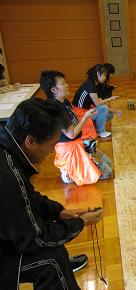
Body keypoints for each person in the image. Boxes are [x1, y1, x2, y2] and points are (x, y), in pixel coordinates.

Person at [0, 98, 103, 289]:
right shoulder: (7, 176)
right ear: (30, 141)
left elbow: (25, 196)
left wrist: (59, 212)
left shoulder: (7, 147)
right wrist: (80, 222)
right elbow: (35, 240)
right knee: (51, 260)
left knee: (53, 248)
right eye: (51, 146)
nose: (51, 152)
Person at [40, 70, 112, 185]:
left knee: (108, 164)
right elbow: (71, 134)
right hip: (69, 146)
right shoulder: (56, 109)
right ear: (54, 90)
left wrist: (87, 116)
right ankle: (68, 171)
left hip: (77, 140)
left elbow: (74, 123)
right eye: (63, 84)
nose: (67, 85)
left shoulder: (64, 102)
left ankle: (79, 161)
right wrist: (86, 116)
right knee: (107, 173)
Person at [72, 64, 121, 138]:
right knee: (104, 108)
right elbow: (98, 104)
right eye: (104, 75)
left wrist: (114, 111)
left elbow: (97, 104)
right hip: (79, 115)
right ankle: (102, 132)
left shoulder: (93, 84)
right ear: (98, 74)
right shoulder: (90, 85)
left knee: (109, 114)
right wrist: (111, 99)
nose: (105, 78)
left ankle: (97, 129)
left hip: (86, 111)